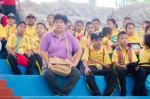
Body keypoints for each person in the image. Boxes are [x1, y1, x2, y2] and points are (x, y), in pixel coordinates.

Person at [40, 14, 82, 96]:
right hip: (51, 63)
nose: (59, 24)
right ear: (53, 24)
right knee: (47, 74)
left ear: (65, 25)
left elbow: (79, 50)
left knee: (76, 74)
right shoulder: (47, 36)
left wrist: (74, 63)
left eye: (61, 22)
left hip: (66, 64)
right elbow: (41, 51)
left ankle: (63, 94)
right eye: (57, 22)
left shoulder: (69, 36)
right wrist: (47, 63)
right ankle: (57, 92)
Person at [112, 31, 139, 96]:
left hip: (128, 66)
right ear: (118, 41)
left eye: (126, 38)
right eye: (122, 38)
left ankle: (138, 90)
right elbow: (115, 63)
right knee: (120, 70)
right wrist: (122, 66)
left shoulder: (130, 49)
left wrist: (129, 65)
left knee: (140, 70)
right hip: (120, 67)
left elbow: (134, 61)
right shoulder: (116, 50)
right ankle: (123, 90)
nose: (124, 40)